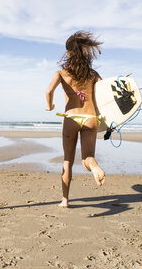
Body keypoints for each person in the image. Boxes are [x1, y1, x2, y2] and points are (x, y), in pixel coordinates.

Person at [45, 31, 107, 208]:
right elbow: (104, 94)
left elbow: (49, 91)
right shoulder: (93, 74)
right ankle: (94, 166)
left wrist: (49, 106)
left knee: (68, 161)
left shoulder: (61, 73)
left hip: (71, 118)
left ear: (68, 53)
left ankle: (65, 200)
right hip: (90, 118)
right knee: (87, 158)